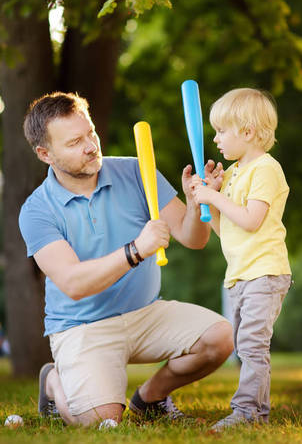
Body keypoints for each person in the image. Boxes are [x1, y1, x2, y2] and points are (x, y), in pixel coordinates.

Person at [18, 92, 233, 428]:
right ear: (45, 154)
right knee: (101, 421)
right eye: (75, 142)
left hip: (146, 313)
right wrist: (135, 250)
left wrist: (197, 205)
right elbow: (74, 284)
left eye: (90, 133)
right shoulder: (36, 210)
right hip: (83, 327)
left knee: (220, 337)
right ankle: (55, 381)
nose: (90, 146)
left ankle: (149, 400)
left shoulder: (135, 171)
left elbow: (193, 238)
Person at [190, 88, 292, 430]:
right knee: (244, 346)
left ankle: (248, 413)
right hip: (239, 274)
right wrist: (209, 198)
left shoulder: (265, 169)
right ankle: (253, 412)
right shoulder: (234, 172)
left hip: (264, 272)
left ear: (247, 133)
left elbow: (251, 220)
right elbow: (226, 230)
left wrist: (214, 198)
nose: (216, 139)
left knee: (251, 345)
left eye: (222, 131)